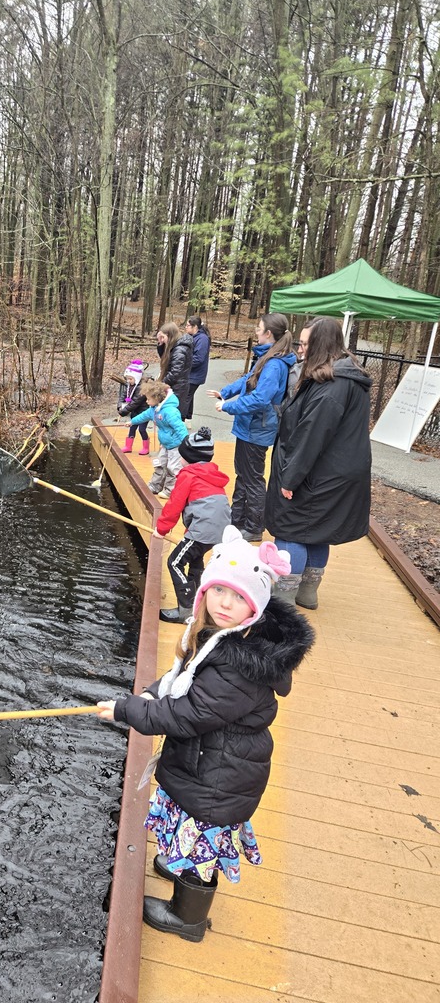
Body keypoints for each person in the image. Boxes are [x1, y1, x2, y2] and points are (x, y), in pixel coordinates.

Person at [96, 525, 314, 941]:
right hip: (208, 761)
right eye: (219, 592)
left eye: (239, 597)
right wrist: (150, 692)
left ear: (256, 605)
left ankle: (188, 918)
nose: (226, 604)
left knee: (202, 849)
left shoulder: (238, 666)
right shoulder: (219, 636)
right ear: (205, 592)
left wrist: (129, 710)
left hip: (218, 776)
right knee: (192, 836)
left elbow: (187, 715)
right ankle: (179, 867)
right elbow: (182, 680)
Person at [265, 317, 372, 609]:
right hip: (334, 472)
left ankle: (283, 599)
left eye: (305, 342)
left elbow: (312, 434)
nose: (300, 348)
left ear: (321, 344)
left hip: (317, 474)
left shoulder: (332, 386)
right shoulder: (343, 377)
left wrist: (290, 478)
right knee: (316, 530)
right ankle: (307, 591)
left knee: (291, 529)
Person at [208, 313, 295, 541]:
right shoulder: (266, 357)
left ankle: (254, 527)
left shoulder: (275, 364)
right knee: (243, 474)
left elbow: (260, 399)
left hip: (257, 428)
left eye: (259, 328)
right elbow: (248, 378)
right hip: (249, 427)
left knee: (253, 478)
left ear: (268, 334)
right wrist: (225, 392)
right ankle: (237, 520)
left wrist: (228, 406)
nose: (255, 331)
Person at [154, 427, 231, 623]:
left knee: (174, 562)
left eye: (182, 456)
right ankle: (198, 604)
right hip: (220, 530)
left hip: (203, 530)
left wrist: (161, 529)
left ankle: (186, 609)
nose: (180, 460)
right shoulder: (212, 474)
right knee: (195, 560)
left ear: (189, 457)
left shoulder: (188, 475)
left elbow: (174, 505)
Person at [127, 379, 188, 497]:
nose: (146, 401)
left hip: (176, 444)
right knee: (160, 463)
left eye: (148, 398)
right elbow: (143, 416)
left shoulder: (170, 412)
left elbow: (180, 427)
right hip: (165, 443)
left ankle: (170, 490)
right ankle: (155, 486)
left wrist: (186, 442)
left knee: (173, 467)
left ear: (157, 398)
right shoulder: (153, 409)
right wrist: (132, 422)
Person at [157, 322, 193, 422]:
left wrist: (161, 383)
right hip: (175, 386)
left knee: (173, 418)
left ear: (169, 335)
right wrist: (160, 344)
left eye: (163, 337)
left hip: (178, 388)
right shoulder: (175, 346)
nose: (162, 339)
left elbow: (175, 372)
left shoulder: (180, 349)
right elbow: (166, 359)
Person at [117, 360, 150, 455]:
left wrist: (124, 412)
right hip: (135, 411)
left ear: (137, 378)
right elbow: (123, 396)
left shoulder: (141, 388)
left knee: (142, 429)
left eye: (130, 379)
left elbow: (135, 402)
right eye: (127, 379)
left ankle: (146, 446)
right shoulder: (129, 385)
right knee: (132, 428)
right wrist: (120, 406)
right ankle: (128, 446)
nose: (128, 381)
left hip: (143, 412)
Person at [182, 316, 211, 419]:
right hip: (191, 374)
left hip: (195, 375)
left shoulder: (202, 339)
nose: (185, 327)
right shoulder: (194, 337)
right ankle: (188, 419)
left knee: (185, 398)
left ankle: (181, 421)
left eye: (188, 325)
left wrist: (183, 364)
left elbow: (199, 358)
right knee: (188, 397)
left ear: (195, 327)